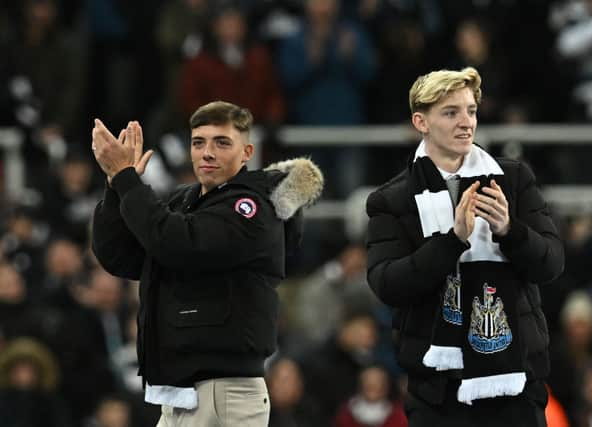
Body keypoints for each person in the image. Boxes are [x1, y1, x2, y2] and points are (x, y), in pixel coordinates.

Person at [90, 100, 323, 426]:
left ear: (247, 152)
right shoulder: (182, 202)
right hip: (179, 393)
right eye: (199, 142)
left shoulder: (250, 207)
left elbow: (180, 245)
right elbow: (120, 257)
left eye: (222, 142)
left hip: (225, 394)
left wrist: (127, 178)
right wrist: (116, 186)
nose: (207, 153)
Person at [365, 67, 564, 426]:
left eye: (471, 110)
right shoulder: (392, 199)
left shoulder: (514, 179)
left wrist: (509, 229)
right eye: (450, 112)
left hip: (517, 381)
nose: (466, 122)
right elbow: (387, 284)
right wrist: (451, 242)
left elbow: (550, 265)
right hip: (438, 392)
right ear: (420, 122)